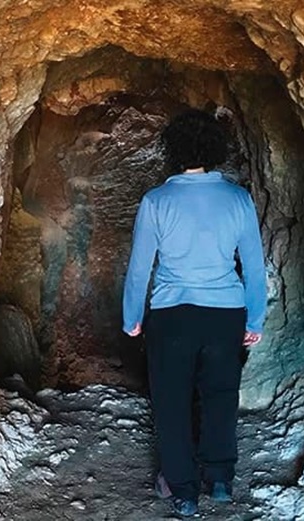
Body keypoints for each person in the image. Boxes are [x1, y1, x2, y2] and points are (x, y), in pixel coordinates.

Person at [122, 109, 267, 517]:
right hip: (225, 313)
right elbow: (254, 266)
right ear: (216, 149)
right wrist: (254, 318)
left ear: (172, 151)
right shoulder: (238, 199)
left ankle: (183, 491)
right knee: (220, 396)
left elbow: (139, 267)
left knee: (171, 401)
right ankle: (219, 478)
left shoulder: (156, 201)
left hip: (172, 315)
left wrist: (132, 317)